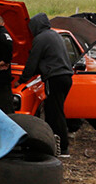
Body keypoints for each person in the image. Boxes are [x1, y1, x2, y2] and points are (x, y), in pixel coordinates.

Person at [20, 13, 73, 157]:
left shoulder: (40, 38)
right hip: (66, 77)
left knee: (54, 114)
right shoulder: (54, 35)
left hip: (54, 78)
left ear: (36, 26)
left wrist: (22, 80)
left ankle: (62, 148)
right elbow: (47, 59)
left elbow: (33, 61)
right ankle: (59, 144)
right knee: (57, 111)